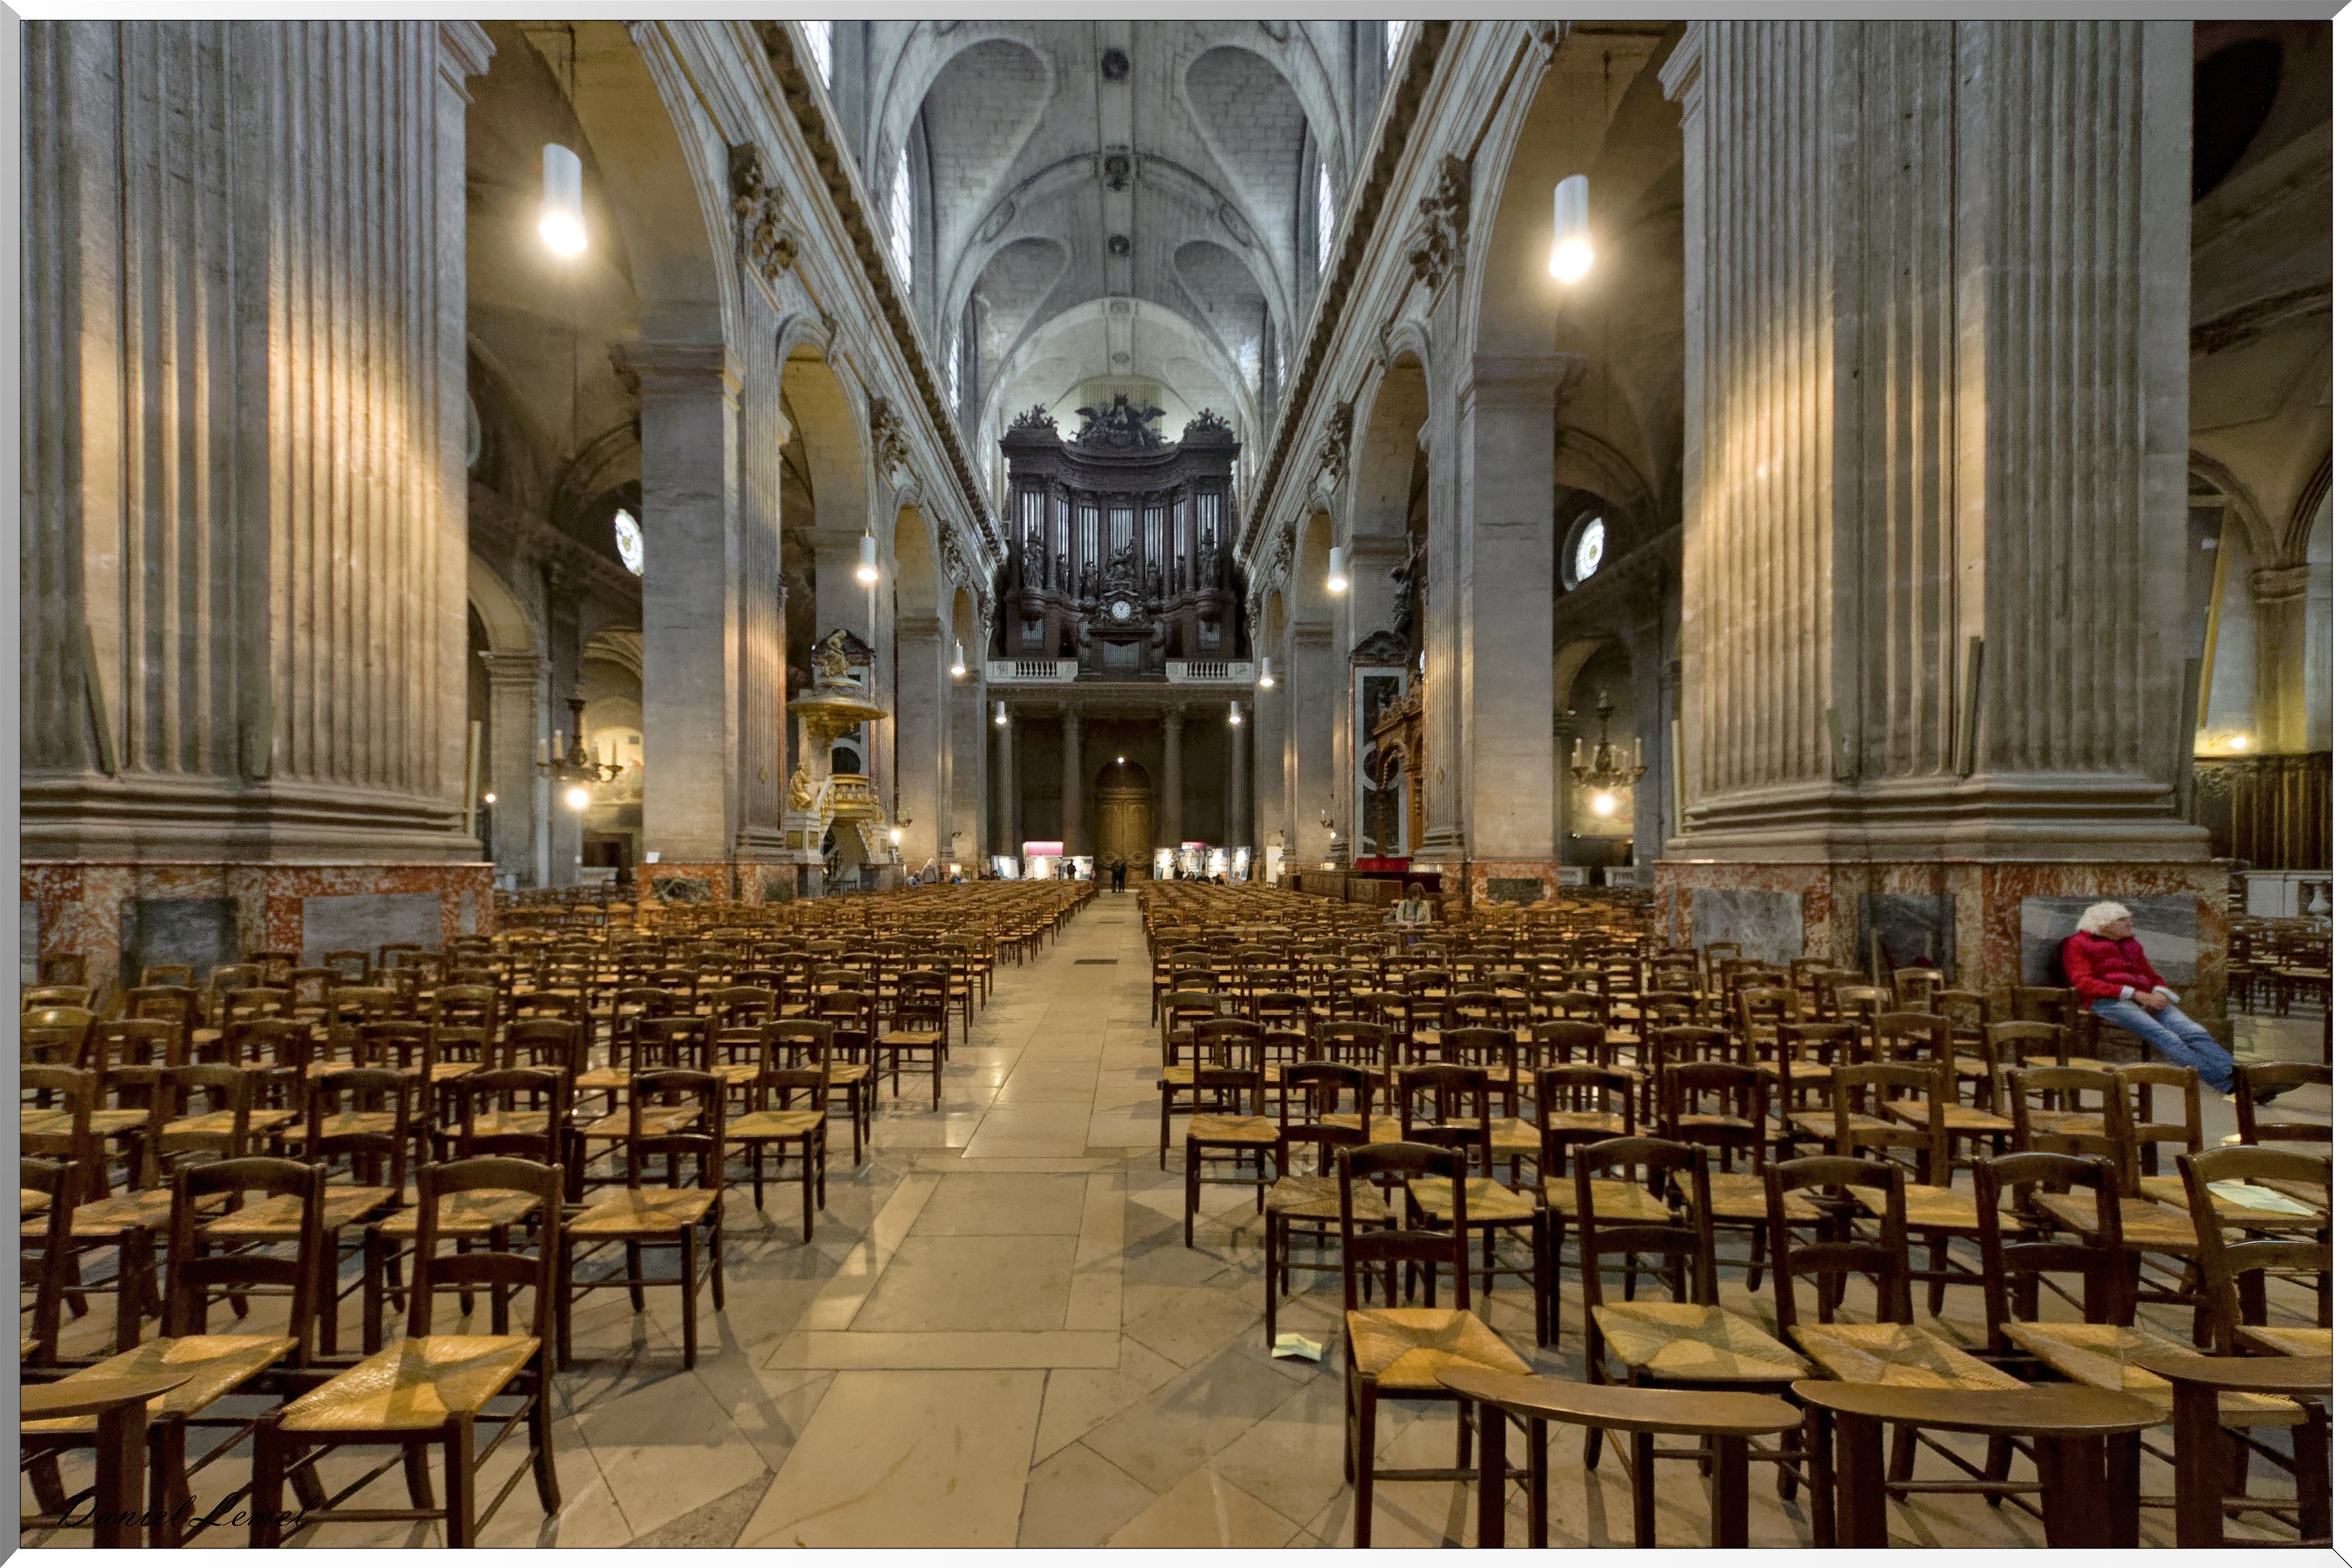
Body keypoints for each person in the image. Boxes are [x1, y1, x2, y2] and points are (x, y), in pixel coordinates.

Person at [2060, 901, 2258, 1097]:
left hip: (2146, 997)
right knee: (2166, 1037)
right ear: (2103, 923)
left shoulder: (2130, 943)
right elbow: (2084, 983)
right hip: (2107, 1000)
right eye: (2122, 920)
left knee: (2193, 1030)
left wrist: (2160, 993)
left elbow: (2152, 976)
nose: (2130, 923)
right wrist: (2135, 994)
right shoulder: (2077, 943)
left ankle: (2243, 1079)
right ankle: (2228, 1085)